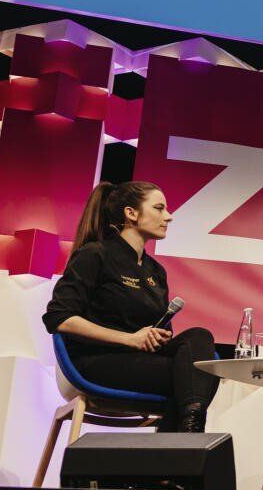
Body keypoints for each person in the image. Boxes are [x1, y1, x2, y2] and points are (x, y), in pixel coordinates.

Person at [42, 181, 220, 433]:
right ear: (131, 213)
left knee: (200, 341)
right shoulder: (94, 255)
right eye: (159, 208)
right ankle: (182, 445)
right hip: (98, 360)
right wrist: (130, 339)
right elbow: (59, 318)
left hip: (142, 361)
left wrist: (156, 337)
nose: (168, 216)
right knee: (195, 376)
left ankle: (184, 438)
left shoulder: (155, 271)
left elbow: (160, 334)